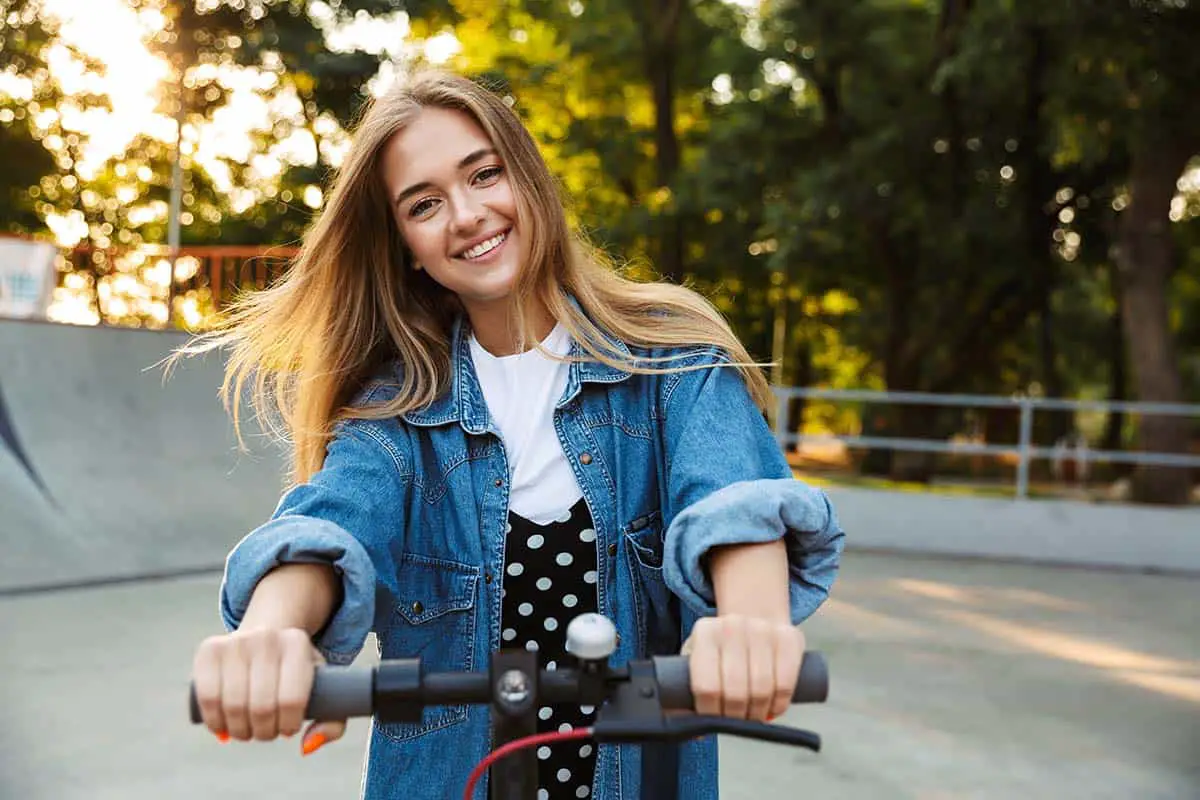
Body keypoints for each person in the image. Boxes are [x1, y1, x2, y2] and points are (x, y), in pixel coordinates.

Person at [186, 69, 844, 800]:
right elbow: (328, 525)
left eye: (484, 174)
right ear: (407, 244)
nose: (465, 215)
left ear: (527, 179)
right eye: (425, 203)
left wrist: (751, 624)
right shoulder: (397, 416)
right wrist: (273, 633)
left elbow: (734, 500)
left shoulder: (673, 365)